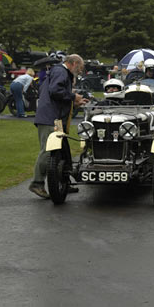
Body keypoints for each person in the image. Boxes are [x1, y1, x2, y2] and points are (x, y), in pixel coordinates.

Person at [29, 54, 88, 199]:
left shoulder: (57, 72)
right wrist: (74, 97)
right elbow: (55, 91)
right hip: (50, 118)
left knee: (64, 151)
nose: (80, 71)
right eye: (79, 68)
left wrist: (74, 102)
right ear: (73, 63)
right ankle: (37, 183)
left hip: (53, 118)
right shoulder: (61, 71)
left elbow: (55, 94)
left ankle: (64, 183)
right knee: (48, 151)